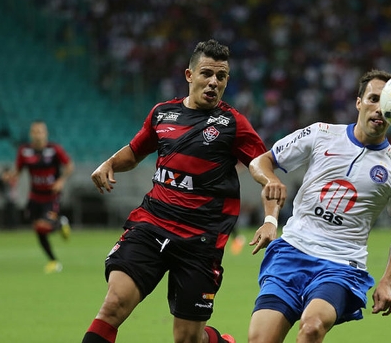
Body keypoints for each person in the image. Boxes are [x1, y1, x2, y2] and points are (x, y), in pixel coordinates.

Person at [82, 39, 267, 343]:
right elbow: (135, 150)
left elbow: (260, 163)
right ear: (189, 75)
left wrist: (268, 183)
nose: (213, 82)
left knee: (187, 338)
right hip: (151, 224)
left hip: (199, 240)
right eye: (206, 73)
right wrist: (110, 164)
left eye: (220, 77)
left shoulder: (233, 124)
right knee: (113, 304)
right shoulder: (162, 114)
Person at [246, 69, 391, 343]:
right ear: (359, 102)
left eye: (388, 104)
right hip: (291, 252)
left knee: (312, 327)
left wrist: (387, 281)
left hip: (341, 265)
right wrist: (270, 208)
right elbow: (261, 162)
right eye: (373, 99)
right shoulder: (320, 133)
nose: (379, 109)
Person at [6, 120, 74, 273]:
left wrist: (61, 181)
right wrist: (10, 176)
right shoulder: (24, 151)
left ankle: (61, 222)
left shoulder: (54, 150)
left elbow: (69, 165)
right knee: (38, 229)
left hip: (51, 196)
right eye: (35, 132)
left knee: (44, 225)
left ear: (46, 134)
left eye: (40, 131)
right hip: (34, 197)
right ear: (31, 134)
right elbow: (17, 170)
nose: (38, 135)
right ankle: (53, 261)